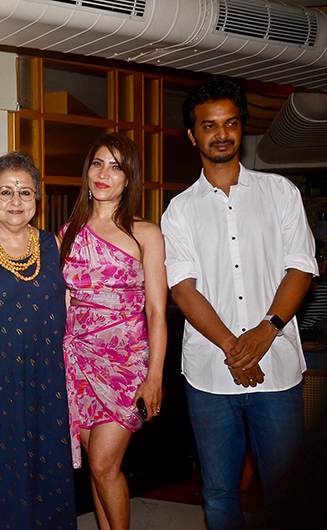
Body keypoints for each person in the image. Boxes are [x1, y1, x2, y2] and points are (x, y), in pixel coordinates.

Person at [161, 75, 316, 530]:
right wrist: (235, 348)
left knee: (288, 492)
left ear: (242, 128)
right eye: (209, 125)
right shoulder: (179, 210)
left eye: (230, 123)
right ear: (193, 135)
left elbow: (301, 267)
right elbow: (182, 288)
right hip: (210, 375)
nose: (221, 134)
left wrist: (266, 331)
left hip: (277, 370)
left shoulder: (280, 192)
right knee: (218, 493)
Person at [0, 152, 77, 530]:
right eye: (5, 192)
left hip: (46, 384)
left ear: (37, 198)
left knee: (45, 469)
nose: (16, 201)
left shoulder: (54, 246)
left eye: (25, 192)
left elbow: (68, 312)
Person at [60, 132, 167, 530]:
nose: (104, 174)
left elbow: (156, 312)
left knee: (105, 463)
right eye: (97, 164)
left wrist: (154, 376)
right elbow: (64, 306)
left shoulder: (145, 233)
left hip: (126, 363)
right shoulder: (67, 233)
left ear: (128, 178)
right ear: (87, 172)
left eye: (116, 167)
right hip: (78, 361)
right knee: (97, 466)